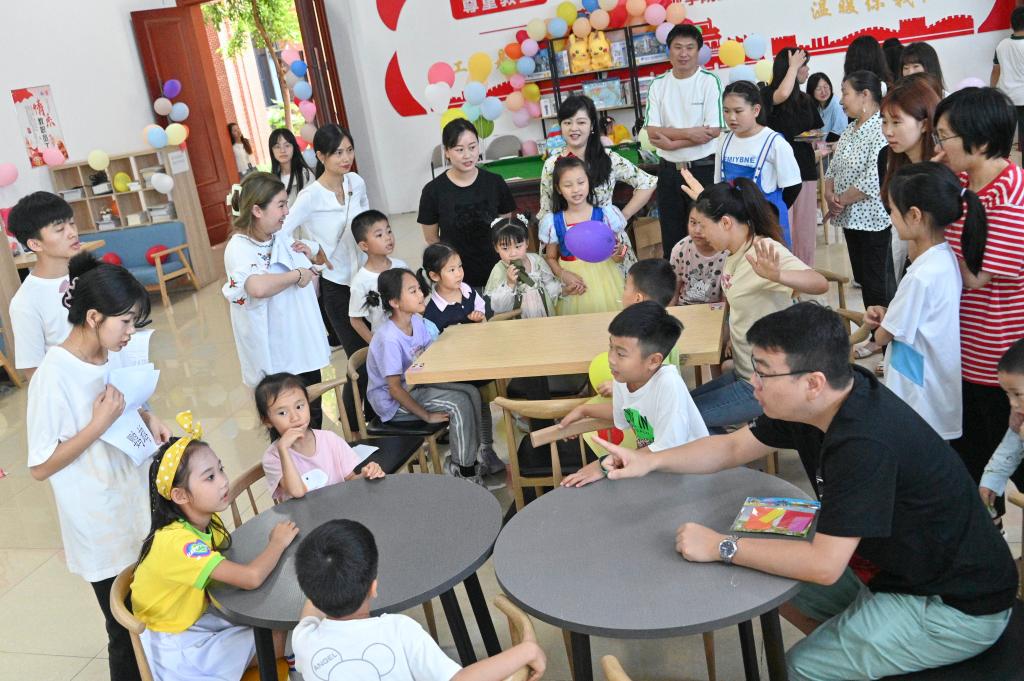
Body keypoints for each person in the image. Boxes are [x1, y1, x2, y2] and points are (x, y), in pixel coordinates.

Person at [595, 302, 1018, 681]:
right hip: (892, 567)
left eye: (764, 372)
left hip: (953, 603)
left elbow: (824, 566)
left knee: (800, 667)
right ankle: (851, 648)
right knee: (758, 579)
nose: (753, 383)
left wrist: (722, 545)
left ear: (813, 382)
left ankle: (843, 655)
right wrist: (650, 460)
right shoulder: (825, 399)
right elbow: (730, 447)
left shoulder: (863, 443)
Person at [26, 252, 170, 681]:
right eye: (125, 322)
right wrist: (97, 425)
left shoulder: (112, 352)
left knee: (156, 608)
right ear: (93, 317)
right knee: (123, 627)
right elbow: (40, 466)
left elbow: (128, 402)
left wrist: (148, 417)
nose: (131, 332)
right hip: (99, 518)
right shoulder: (53, 375)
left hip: (135, 497)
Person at [131, 415, 300, 681]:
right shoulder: (178, 543)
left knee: (279, 623)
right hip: (181, 645)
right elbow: (251, 577)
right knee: (289, 637)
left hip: (196, 617)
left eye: (220, 469)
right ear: (179, 495)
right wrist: (277, 543)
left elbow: (229, 561)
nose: (223, 481)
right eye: (209, 477)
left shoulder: (203, 521)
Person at [292, 519, 547, 681]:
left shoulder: (304, 642)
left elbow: (310, 611)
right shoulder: (399, 631)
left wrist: (323, 574)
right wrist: (527, 650)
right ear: (374, 587)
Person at [935, 86, 1024, 519]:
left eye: (945, 137)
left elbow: (973, 279)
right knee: (975, 469)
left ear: (982, 141)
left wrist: (930, 229)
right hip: (967, 353)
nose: (939, 147)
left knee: (1006, 461)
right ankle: (988, 537)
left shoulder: (1010, 198)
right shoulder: (965, 183)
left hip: (1000, 361)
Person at [679, 178, 827, 430]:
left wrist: (779, 275)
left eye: (704, 226)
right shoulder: (735, 249)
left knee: (684, 421)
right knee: (680, 408)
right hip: (745, 370)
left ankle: (734, 450)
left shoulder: (762, 249)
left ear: (726, 223)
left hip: (765, 382)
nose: (700, 234)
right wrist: (708, 200)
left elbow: (819, 283)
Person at [863, 162, 972, 440]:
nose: (890, 217)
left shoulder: (920, 276)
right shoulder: (944, 258)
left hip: (918, 396)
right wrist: (890, 313)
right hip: (933, 388)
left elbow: (883, 336)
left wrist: (878, 322)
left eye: (892, 210)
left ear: (914, 215)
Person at [365, 269, 503, 485]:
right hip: (393, 403)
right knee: (458, 403)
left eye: (419, 289)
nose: (421, 294)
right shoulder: (389, 338)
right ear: (394, 302)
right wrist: (426, 416)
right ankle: (464, 471)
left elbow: (433, 357)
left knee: (472, 392)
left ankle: (470, 460)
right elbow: (394, 389)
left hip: (416, 386)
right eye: (413, 291)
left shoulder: (417, 322)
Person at [558, 301, 708, 487]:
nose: (611, 359)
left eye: (621, 354)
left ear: (653, 361)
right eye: (610, 347)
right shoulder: (623, 378)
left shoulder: (668, 384)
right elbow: (626, 413)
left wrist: (603, 465)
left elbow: (667, 450)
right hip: (652, 472)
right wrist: (584, 410)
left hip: (688, 477)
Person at [223, 172, 329, 429]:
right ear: (257, 210)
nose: (287, 211)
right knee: (287, 425)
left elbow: (315, 266)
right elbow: (257, 287)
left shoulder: (280, 237)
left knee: (312, 417)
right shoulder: (239, 247)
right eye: (281, 205)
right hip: (276, 355)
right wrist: (297, 274)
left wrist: (310, 258)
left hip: (302, 345)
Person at [538, 94, 655, 271]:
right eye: (567, 122)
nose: (573, 128)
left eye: (581, 122)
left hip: (610, 248)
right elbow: (547, 209)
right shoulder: (552, 164)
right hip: (569, 253)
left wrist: (622, 217)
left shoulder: (609, 158)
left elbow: (648, 182)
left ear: (592, 125)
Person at [825, 70, 894, 357]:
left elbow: (873, 178)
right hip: (851, 218)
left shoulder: (880, 128)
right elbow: (832, 167)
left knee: (878, 283)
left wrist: (840, 199)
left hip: (873, 219)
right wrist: (829, 193)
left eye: (845, 93)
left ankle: (883, 341)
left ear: (865, 95)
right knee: (866, 279)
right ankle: (877, 334)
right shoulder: (851, 129)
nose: (841, 100)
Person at [644, 23, 724, 258]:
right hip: (669, 173)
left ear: (698, 51)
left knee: (708, 235)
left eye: (690, 47)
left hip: (703, 169)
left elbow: (713, 130)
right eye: (677, 47)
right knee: (672, 238)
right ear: (669, 50)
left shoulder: (709, 81)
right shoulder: (658, 84)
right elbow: (652, 131)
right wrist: (691, 133)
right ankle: (676, 281)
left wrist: (672, 142)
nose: (684, 53)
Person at [418, 118, 516, 289]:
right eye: (459, 149)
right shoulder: (433, 191)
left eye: (472, 147)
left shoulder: (495, 182)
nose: (468, 155)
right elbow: (432, 238)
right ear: (446, 151)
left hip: (498, 273)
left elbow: (505, 228)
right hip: (458, 279)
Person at [256, 373, 384, 502]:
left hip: (340, 509)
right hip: (303, 515)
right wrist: (283, 449)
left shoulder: (330, 440)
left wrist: (365, 475)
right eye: (282, 413)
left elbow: (350, 479)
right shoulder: (273, 457)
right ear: (267, 421)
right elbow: (297, 492)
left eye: (299, 406)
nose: (295, 417)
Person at [714, 81, 803, 248]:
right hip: (733, 223)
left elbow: (794, 186)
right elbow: (719, 184)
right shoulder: (723, 141)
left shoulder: (774, 142)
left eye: (738, 111)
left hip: (767, 222)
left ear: (756, 110)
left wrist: (769, 213)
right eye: (726, 111)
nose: (731, 117)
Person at [540, 156, 627, 316]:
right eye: (568, 185)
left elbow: (618, 255)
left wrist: (619, 251)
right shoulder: (554, 221)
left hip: (605, 278)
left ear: (589, 182)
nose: (575, 189)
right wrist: (563, 274)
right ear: (558, 189)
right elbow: (550, 257)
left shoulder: (605, 215)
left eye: (581, 182)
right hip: (574, 282)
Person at [6, 191, 81, 380]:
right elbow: (34, 372)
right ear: (35, 244)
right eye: (60, 229)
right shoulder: (25, 302)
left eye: (72, 223)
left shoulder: (89, 273)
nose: (72, 233)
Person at [761, 48, 825, 265]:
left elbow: (816, 129)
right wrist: (794, 66)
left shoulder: (806, 100)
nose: (807, 70)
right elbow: (782, 95)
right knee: (782, 224)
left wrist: (812, 137)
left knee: (805, 228)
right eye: (803, 65)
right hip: (777, 175)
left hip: (804, 169)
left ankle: (805, 269)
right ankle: (783, 270)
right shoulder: (767, 94)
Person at [878, 75, 941, 282]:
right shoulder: (891, 161)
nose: (888, 131)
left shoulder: (940, 170)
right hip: (905, 259)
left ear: (924, 124)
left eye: (897, 122)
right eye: (884, 122)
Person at [484, 214, 562, 318]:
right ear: (496, 248)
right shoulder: (499, 269)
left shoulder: (536, 260)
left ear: (527, 243)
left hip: (542, 314)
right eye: (505, 248)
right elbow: (499, 307)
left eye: (518, 246)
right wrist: (510, 284)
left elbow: (549, 286)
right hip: (517, 321)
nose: (513, 253)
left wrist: (563, 291)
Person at [348, 209, 407, 344]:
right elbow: (356, 320)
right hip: (388, 342)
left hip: (413, 334)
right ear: (364, 245)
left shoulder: (401, 266)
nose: (388, 237)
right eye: (379, 235)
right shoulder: (361, 282)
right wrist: (376, 344)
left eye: (389, 231)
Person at [979, 338, 1024, 515]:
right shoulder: (1020, 416)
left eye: (1017, 394)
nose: (1012, 403)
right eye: (1007, 394)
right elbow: (1009, 448)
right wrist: (992, 479)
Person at [421, 242, 487, 333]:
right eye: (452, 270)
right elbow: (434, 340)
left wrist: (479, 317)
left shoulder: (467, 290)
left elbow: (482, 311)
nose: (459, 273)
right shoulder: (432, 314)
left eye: (460, 266)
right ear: (435, 276)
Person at [670, 208, 727, 305]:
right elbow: (673, 292)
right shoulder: (680, 249)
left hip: (716, 308)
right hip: (684, 306)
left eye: (704, 224)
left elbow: (727, 298)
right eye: (693, 222)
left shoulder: (727, 252)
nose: (697, 230)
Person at [992, 6, 1024, 148]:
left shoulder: (1001, 45)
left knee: (1005, 138)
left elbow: (995, 71)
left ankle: (1003, 160)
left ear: (1011, 24)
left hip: (1006, 97)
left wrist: (992, 92)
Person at [268, 128, 314, 206]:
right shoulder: (270, 180)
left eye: (287, 145)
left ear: (294, 148)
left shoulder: (306, 175)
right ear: (272, 151)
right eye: (277, 147)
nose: (282, 150)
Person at [807, 73, 849, 141]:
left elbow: (839, 134)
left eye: (825, 87)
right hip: (822, 145)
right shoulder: (818, 106)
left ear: (830, 86)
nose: (823, 92)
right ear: (811, 91)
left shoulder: (837, 105)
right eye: (818, 88)